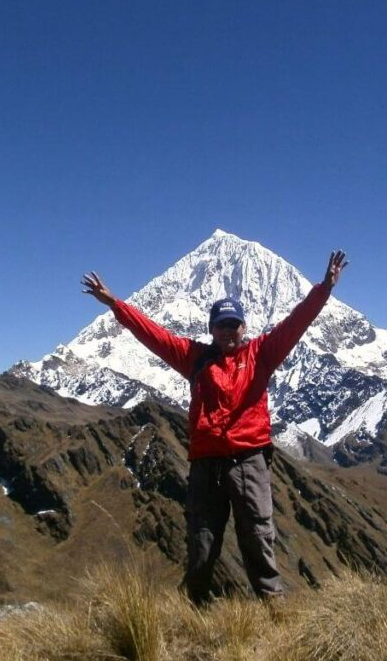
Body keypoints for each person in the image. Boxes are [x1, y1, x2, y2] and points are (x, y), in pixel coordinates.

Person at [81, 250, 348, 605]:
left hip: (248, 461)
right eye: (221, 325)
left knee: (257, 537)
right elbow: (154, 335)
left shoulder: (261, 354)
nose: (227, 331)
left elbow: (295, 323)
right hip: (206, 466)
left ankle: (276, 611)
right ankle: (197, 613)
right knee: (202, 541)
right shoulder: (194, 358)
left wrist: (324, 289)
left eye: (233, 324)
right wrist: (115, 304)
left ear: (244, 327)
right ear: (211, 329)